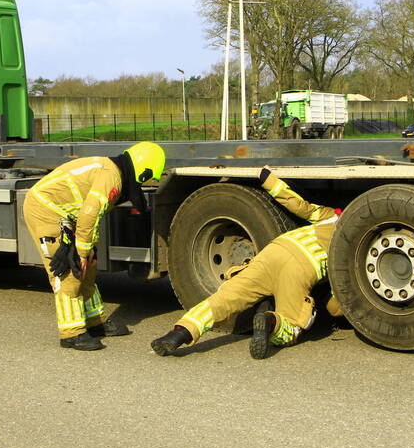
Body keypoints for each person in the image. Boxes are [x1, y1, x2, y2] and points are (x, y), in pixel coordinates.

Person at [151, 167, 343, 359]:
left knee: (225, 299)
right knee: (291, 326)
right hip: (301, 267)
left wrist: (266, 177)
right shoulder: (353, 245)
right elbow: (337, 304)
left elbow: (297, 204)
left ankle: (180, 332)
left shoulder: (331, 216)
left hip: (274, 250)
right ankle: (270, 321)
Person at [24, 142, 166, 351]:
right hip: (46, 211)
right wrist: (81, 252)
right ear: (143, 170)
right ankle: (71, 333)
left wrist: (89, 250)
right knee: (69, 272)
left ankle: (95, 323)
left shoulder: (115, 172)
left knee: (88, 267)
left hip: (67, 215)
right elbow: (90, 213)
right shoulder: (112, 178)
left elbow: (93, 217)